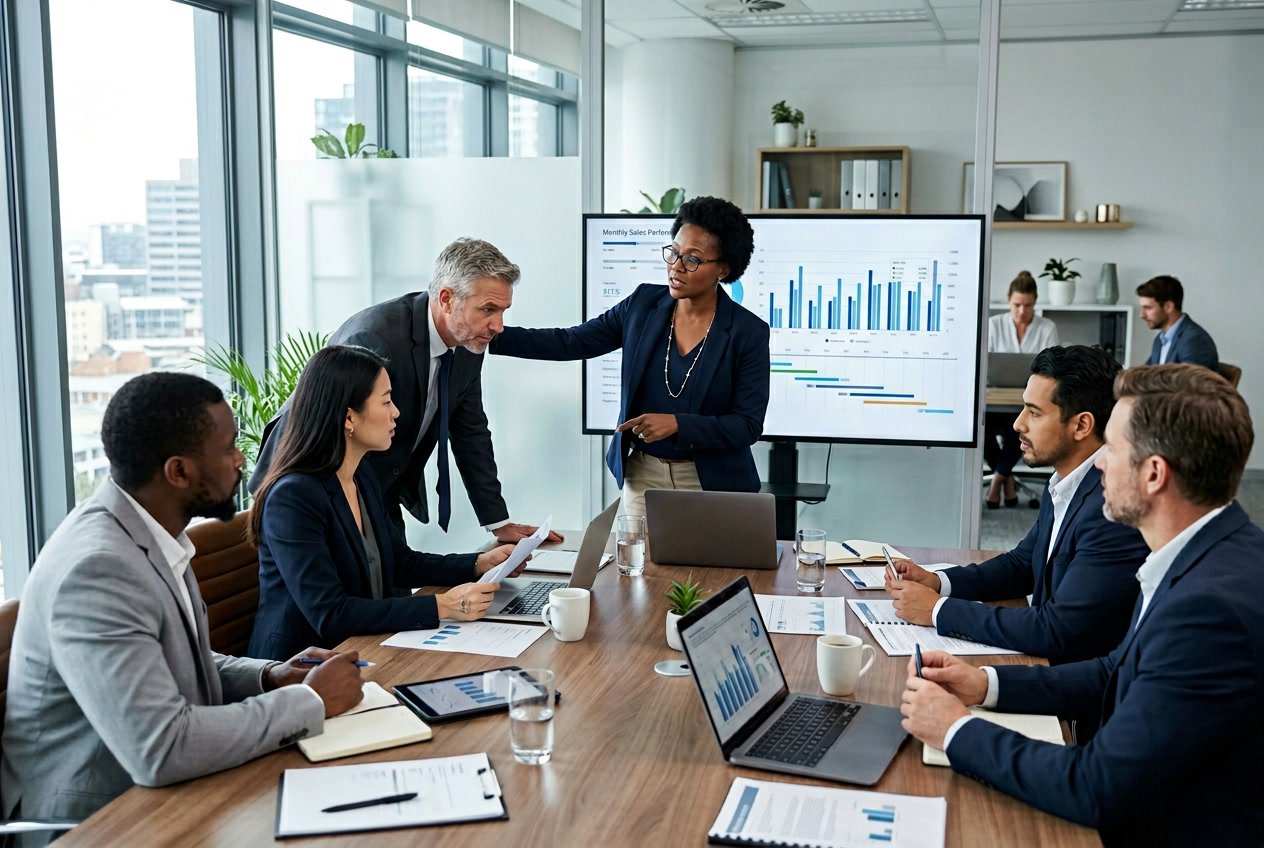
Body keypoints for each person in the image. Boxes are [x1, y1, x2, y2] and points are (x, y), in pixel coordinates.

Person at [900, 364, 1262, 847]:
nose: (1097, 464)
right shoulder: (1214, 551)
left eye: (1113, 449)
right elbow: (1115, 669)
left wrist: (955, 731)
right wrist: (984, 682)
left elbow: (1097, 787)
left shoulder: (1206, 609)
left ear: (1154, 474)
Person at [0, 373, 365, 838]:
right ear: (178, 472)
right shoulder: (97, 570)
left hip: (165, 790)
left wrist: (267, 675)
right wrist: (310, 700)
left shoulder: (146, 526)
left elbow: (164, 657)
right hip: (95, 821)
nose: (241, 459)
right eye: (230, 447)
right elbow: (163, 748)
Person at [251, 237, 560, 544]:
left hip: (380, 488)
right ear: (446, 299)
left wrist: (499, 523)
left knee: (398, 581)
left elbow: (471, 432)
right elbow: (335, 430)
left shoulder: (467, 341)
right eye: (488, 309)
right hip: (316, 491)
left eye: (503, 311)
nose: (498, 326)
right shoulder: (375, 338)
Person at [491, 196, 768, 517]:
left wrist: (679, 424)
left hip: (712, 481)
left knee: (710, 569)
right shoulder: (642, 305)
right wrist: (489, 334)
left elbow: (747, 425)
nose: (677, 266)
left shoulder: (747, 332)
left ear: (722, 269)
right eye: (674, 252)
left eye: (692, 259)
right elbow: (571, 341)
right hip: (643, 475)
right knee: (635, 567)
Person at [248, 345, 521, 661]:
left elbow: (399, 562)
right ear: (349, 417)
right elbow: (330, 613)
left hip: (363, 648)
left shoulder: (360, 473)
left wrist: (477, 563)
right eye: (386, 401)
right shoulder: (292, 497)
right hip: (301, 668)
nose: (396, 412)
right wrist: (445, 605)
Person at [888, 346, 1148, 664]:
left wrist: (937, 610)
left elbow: (1058, 630)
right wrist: (939, 582)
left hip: (1075, 691)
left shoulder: (1111, 507)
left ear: (1081, 426)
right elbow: (1023, 565)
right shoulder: (1068, 481)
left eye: (1034, 413)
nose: (1018, 424)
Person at [984, 270, 1060, 507]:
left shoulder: (1047, 327)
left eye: (1027, 305)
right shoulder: (994, 325)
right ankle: (1005, 477)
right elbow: (985, 365)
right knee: (980, 424)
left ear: (1035, 302)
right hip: (995, 396)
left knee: (1018, 426)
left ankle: (997, 480)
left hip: (1030, 401)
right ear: (1008, 300)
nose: (1021, 311)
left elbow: (1054, 370)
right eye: (1017, 304)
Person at [1137, 274, 1219, 371]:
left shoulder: (1195, 340)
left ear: (1168, 307)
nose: (1141, 315)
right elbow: (1143, 375)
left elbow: (1186, 384)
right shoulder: (1160, 339)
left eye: (1147, 308)